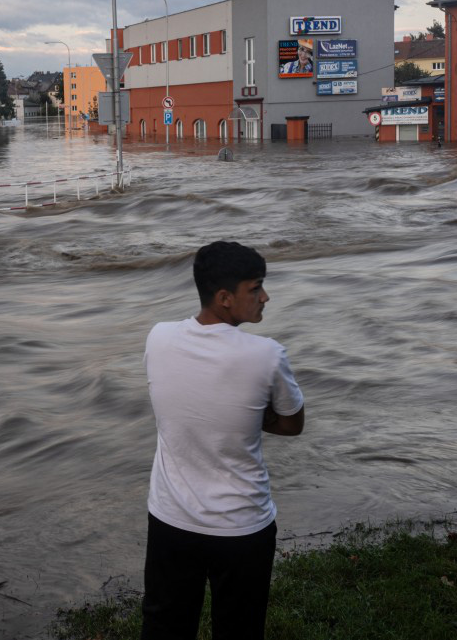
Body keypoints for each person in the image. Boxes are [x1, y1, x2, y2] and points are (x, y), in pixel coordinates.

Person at [141, 241, 305, 640]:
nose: (265, 297)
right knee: (239, 628)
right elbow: (291, 423)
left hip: (171, 519)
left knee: (165, 625)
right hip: (242, 525)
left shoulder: (158, 337)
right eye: (255, 288)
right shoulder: (266, 354)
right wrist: (244, 414)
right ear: (224, 298)